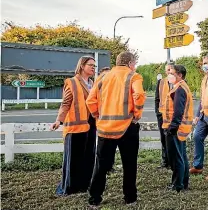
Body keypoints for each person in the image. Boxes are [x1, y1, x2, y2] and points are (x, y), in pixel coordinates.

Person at [86, 51, 146, 208]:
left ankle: (94, 198)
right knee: (129, 164)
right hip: (127, 127)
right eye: (134, 64)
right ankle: (130, 198)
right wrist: (137, 114)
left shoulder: (103, 77)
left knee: (101, 165)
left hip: (105, 128)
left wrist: (97, 116)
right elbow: (139, 95)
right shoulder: (134, 76)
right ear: (130, 63)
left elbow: (90, 100)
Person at [50, 55, 97, 196]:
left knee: (88, 156)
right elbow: (66, 103)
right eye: (91, 65)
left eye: (94, 66)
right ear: (82, 66)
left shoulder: (93, 83)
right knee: (74, 159)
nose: (93, 68)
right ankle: (70, 187)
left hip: (91, 124)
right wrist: (59, 120)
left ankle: (84, 185)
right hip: (75, 126)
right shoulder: (71, 82)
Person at [162, 65, 193, 192]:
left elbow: (178, 110)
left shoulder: (179, 89)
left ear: (180, 75)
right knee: (182, 156)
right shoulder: (181, 87)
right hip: (182, 128)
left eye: (172, 73)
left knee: (176, 158)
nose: (169, 75)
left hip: (176, 128)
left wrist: (172, 127)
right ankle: (183, 183)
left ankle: (177, 185)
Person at [154, 61, 174, 168]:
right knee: (163, 137)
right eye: (168, 69)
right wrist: (158, 112)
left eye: (171, 68)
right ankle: (165, 160)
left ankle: (172, 160)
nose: (169, 71)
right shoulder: (161, 82)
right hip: (162, 115)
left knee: (171, 138)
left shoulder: (178, 82)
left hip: (172, 115)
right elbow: (157, 99)